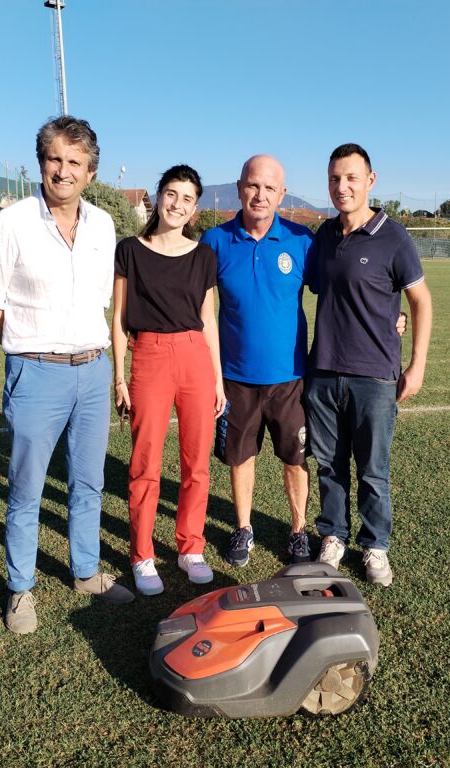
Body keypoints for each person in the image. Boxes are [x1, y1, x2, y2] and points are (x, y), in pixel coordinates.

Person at [0, 115, 134, 635]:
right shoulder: (11, 223)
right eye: (55, 159)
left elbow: (108, 300)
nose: (63, 171)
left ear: (90, 173)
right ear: (41, 163)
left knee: (88, 482)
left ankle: (85, 571)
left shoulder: (104, 225)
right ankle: (21, 588)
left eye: (75, 163)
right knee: (26, 489)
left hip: (92, 371)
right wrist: (27, 348)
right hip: (35, 374)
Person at [305, 143, 432, 587]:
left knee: (373, 470)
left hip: (375, 376)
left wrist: (416, 366)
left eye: (352, 178)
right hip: (322, 373)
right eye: (335, 179)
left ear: (370, 181)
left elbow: (420, 300)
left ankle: (375, 546)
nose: (343, 187)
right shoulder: (323, 237)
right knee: (329, 465)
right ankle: (334, 537)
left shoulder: (394, 236)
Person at [112, 165, 226, 596]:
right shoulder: (130, 250)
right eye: (171, 194)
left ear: (195, 209)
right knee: (145, 463)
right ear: (158, 196)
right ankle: (142, 555)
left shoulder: (203, 257)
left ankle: (190, 548)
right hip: (150, 357)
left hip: (195, 357)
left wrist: (216, 378)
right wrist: (119, 376)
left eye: (187, 199)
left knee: (197, 462)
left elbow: (208, 320)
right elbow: (119, 318)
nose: (177, 204)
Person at [200, 155, 315, 567]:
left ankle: (299, 531)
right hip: (235, 379)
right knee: (239, 457)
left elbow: (343, 289)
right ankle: (244, 527)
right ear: (239, 187)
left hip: (290, 378)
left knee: (295, 459)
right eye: (253, 185)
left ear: (282, 193)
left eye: (269, 188)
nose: (260, 195)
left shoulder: (302, 241)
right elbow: (192, 301)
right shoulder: (215, 241)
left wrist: (394, 312)